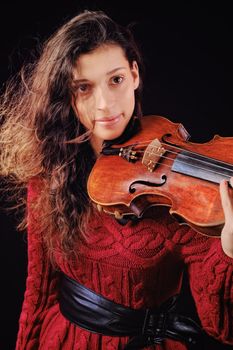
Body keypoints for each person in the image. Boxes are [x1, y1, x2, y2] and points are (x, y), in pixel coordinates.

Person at [0, 10, 233, 350]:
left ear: (134, 74)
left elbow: (220, 324)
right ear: (67, 93)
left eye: (116, 80)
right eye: (84, 87)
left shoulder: (185, 199)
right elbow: (39, 292)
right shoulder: (51, 175)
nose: (105, 103)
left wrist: (229, 246)